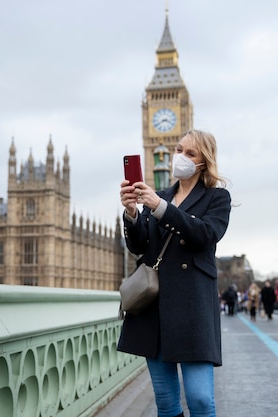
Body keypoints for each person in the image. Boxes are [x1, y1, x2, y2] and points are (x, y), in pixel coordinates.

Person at [117, 129, 231, 417]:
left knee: (201, 398)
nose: (180, 157)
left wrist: (160, 208)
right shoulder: (161, 195)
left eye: (190, 153)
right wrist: (132, 213)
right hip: (154, 306)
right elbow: (139, 245)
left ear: (203, 162)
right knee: (166, 401)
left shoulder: (216, 198)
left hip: (192, 306)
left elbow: (204, 235)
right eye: (179, 150)